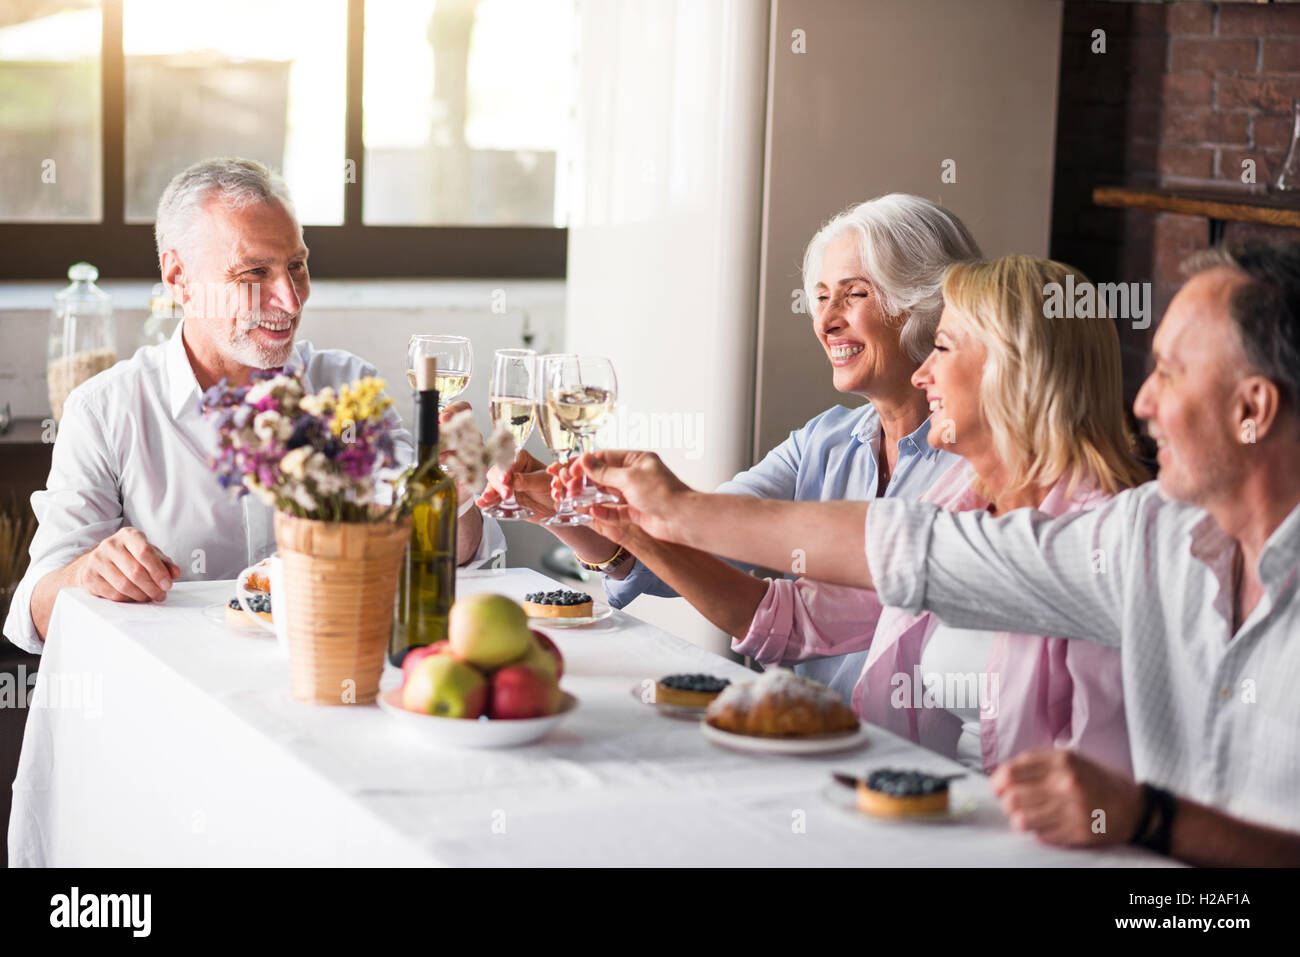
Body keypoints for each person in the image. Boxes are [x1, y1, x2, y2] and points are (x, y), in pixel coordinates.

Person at [567, 240, 1300, 866]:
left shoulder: (1114, 523)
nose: (1142, 402)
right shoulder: (1151, 534)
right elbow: (893, 557)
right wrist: (656, 520)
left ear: (1253, 409)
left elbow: (1110, 815)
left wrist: (1147, 819)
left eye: (1170, 372)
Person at [3, 157, 504, 655]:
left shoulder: (349, 388)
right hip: (176, 702)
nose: (290, 300)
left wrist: (453, 493)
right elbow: (35, 614)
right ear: (178, 277)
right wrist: (86, 574)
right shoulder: (105, 410)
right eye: (255, 273)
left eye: (297, 266)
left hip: (329, 682)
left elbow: (445, 559)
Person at [479, 194, 978, 694]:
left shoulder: (977, 469)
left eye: (855, 294)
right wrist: (558, 507)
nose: (826, 320)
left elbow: (785, 617)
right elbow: (690, 547)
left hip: (913, 758)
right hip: (802, 734)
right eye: (822, 297)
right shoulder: (822, 441)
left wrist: (654, 510)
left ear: (922, 302)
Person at [712, 257, 1143, 773]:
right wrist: (637, 531)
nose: (921, 374)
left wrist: (674, 510)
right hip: (933, 802)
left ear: (1013, 366)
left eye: (941, 347)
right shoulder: (961, 498)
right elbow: (798, 618)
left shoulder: (1104, 538)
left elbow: (1111, 771)